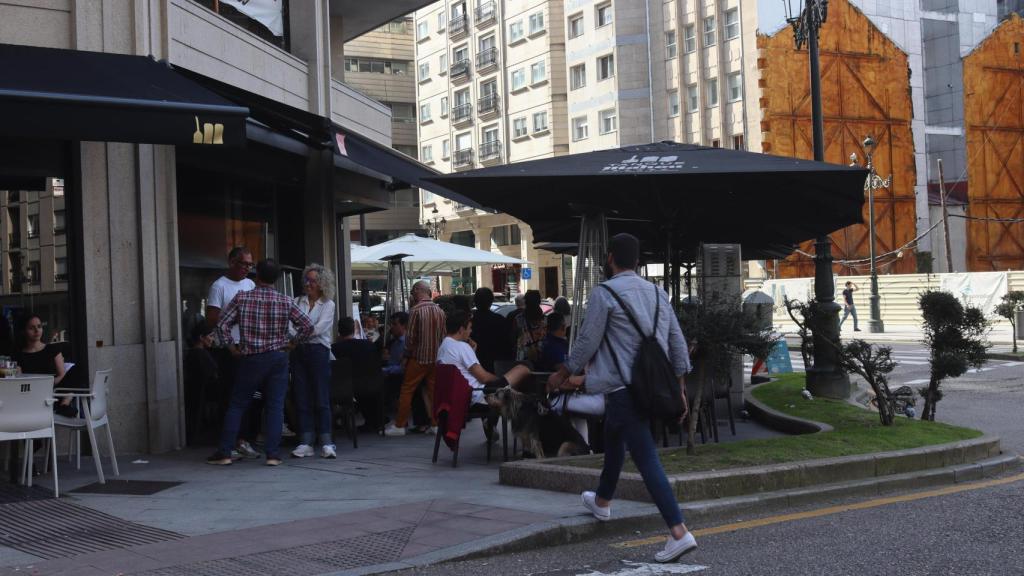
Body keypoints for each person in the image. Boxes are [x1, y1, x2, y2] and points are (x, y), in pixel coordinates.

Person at [547, 233, 697, 563]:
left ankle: (678, 531)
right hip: (652, 388)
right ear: (638, 262)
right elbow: (677, 345)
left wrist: (562, 374)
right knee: (614, 440)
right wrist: (680, 389)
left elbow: (587, 342)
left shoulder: (605, 293)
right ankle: (601, 502)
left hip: (622, 389)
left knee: (645, 458)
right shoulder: (658, 293)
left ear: (611, 258)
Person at [207, 259, 314, 467]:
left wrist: (231, 347)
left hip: (251, 357)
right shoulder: (285, 300)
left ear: (256, 276)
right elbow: (307, 326)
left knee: (237, 404)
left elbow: (222, 324)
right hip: (277, 357)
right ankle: (273, 455)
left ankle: (225, 452)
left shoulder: (243, 298)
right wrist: (292, 343)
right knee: (275, 406)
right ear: (277, 279)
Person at [205, 246, 261, 460]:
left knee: (251, 397)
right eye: (243, 264)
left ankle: (245, 439)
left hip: (249, 346)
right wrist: (236, 317)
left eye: (250, 264)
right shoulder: (219, 286)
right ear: (231, 263)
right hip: (228, 348)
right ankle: (231, 442)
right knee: (231, 397)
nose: (247, 268)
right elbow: (211, 319)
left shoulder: (250, 284)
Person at [385, 281, 446, 436]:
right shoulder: (439, 311)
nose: (412, 295)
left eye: (412, 292)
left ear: (419, 291)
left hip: (418, 358)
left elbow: (410, 338)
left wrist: (405, 357)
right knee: (433, 391)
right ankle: (435, 423)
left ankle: (400, 425)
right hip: (435, 357)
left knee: (407, 390)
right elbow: (443, 336)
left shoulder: (415, 310)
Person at [290, 264, 338, 459]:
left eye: (312, 280)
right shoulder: (296, 301)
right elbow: (288, 327)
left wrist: (298, 334)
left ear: (321, 284)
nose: (308, 284)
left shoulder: (328, 304)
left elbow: (320, 328)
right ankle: (306, 441)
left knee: (321, 396)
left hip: (319, 351)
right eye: (306, 280)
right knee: (301, 396)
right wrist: (300, 334)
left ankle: (327, 442)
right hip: (300, 351)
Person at [437, 310, 531, 408]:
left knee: (511, 383)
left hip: (459, 395)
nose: (471, 331)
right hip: (478, 394)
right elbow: (483, 377)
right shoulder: (461, 346)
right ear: (461, 329)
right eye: (469, 328)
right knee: (522, 369)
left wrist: (473, 350)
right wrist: (501, 380)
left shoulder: (443, 347)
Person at [13, 314, 74, 417]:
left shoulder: (53, 349)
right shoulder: (19, 355)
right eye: (32, 328)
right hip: (31, 394)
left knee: (74, 374)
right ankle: (65, 403)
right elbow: (20, 381)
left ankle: (64, 404)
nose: (37, 330)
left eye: (39, 326)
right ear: (24, 331)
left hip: (52, 391)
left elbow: (62, 375)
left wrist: (47, 384)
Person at [333, 317, 384, 430]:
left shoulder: (335, 348)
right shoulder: (368, 345)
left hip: (347, 388)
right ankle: (375, 420)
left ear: (339, 331)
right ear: (354, 329)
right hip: (372, 384)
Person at [470, 287, 513, 373]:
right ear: (491, 302)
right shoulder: (499, 320)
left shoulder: (468, 322)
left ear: (475, 302)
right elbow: (507, 343)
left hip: (474, 363)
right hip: (496, 364)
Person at [513, 290, 546, 362]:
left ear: (525, 302)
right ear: (539, 302)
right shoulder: (545, 320)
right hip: (543, 357)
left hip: (523, 358)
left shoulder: (519, 319)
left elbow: (513, 337)